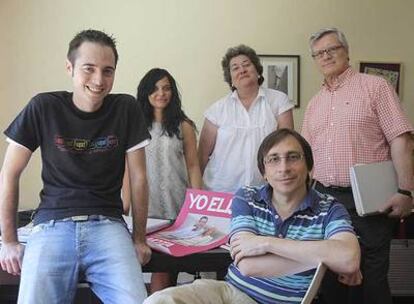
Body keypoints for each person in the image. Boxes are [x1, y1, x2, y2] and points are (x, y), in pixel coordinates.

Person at [0, 29, 150, 303]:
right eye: (89, 69)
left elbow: (139, 178)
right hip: (51, 226)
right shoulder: (43, 106)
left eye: (108, 71)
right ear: (70, 68)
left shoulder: (126, 108)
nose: (98, 80)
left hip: (109, 226)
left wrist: (139, 238)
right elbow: (9, 172)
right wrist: (9, 241)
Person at [143, 129, 361, 304]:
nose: (284, 168)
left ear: (309, 167)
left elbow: (348, 259)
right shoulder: (247, 197)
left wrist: (265, 243)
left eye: (293, 157)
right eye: (274, 159)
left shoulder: (329, 208)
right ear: (264, 172)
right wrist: (321, 257)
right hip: (229, 293)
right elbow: (247, 265)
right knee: (161, 300)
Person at [302, 27, 414, 304]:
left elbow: (400, 138)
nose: (326, 56)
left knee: (372, 280)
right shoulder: (315, 104)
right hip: (324, 201)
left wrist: (406, 191)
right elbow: (306, 157)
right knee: (330, 280)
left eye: (332, 49)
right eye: (319, 53)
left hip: (368, 201)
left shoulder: (375, 87)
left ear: (346, 52)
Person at [122, 68, 202, 293]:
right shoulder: (134, 125)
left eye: (167, 88)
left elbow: (193, 166)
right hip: (145, 207)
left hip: (177, 205)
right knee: (139, 264)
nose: (161, 93)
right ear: (146, 92)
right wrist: (124, 206)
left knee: (166, 269)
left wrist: (200, 206)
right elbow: (127, 170)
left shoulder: (183, 126)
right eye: (155, 88)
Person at [198, 44, 294, 194]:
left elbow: (287, 146)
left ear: (257, 71)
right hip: (221, 191)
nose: (242, 70)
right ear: (230, 79)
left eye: (246, 65)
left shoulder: (278, 101)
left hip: (265, 191)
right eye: (235, 68)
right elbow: (202, 155)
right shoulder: (217, 110)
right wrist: (196, 194)